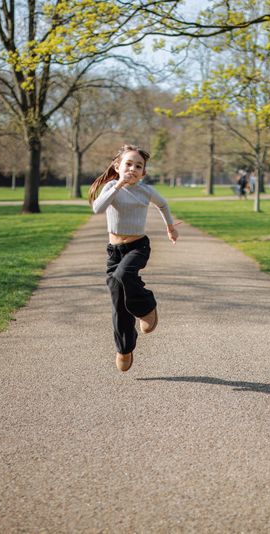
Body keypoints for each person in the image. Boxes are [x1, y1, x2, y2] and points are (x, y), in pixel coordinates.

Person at [89, 144, 179, 372]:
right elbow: (98, 209)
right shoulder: (111, 186)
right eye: (128, 164)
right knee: (118, 302)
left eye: (139, 166)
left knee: (123, 275)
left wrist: (170, 228)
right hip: (114, 252)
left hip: (138, 246)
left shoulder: (145, 190)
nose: (133, 168)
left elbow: (163, 204)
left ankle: (146, 307)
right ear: (117, 166)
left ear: (144, 172)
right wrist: (118, 185)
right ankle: (124, 348)